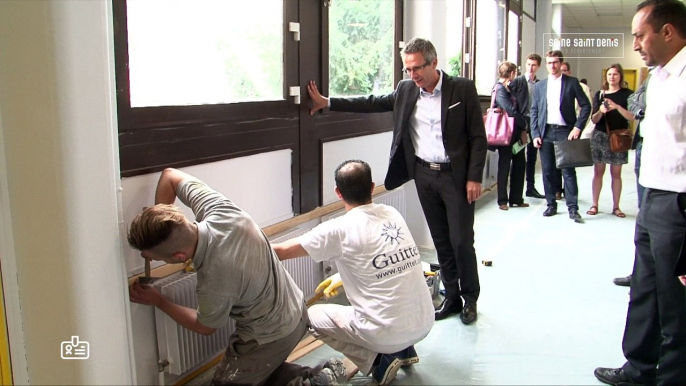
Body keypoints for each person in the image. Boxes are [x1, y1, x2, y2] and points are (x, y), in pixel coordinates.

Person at [306, 38, 487, 325]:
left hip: (456, 177)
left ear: (434, 62)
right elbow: (372, 103)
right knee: (441, 240)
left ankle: (471, 299)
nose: (413, 75)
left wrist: (474, 177)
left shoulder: (461, 89)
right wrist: (329, 102)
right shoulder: (406, 90)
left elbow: (478, 137)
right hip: (424, 176)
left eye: (417, 68)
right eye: (408, 69)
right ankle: (451, 297)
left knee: (462, 241)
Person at [127, 168, 346, 386]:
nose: (147, 258)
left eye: (152, 256)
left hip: (271, 336)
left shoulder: (215, 277)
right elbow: (169, 176)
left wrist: (160, 301)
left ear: (179, 256)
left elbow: (205, 327)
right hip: (297, 311)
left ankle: (315, 380)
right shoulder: (219, 210)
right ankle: (295, 374)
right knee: (256, 370)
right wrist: (157, 218)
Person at [273, 160, 434, 386]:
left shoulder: (338, 229)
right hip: (425, 321)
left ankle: (378, 360)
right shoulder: (391, 213)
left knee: (312, 316)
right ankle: (405, 350)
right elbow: (384, 260)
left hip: (387, 333)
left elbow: (279, 251)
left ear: (338, 193)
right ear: (372, 186)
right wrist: (341, 276)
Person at [594, 1, 686, 385]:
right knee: (645, 289)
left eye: (639, 35)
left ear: (667, 31)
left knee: (675, 300)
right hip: (651, 194)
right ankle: (638, 368)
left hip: (678, 203)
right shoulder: (659, 76)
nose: (635, 45)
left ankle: (673, 377)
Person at [530, 50, 592, 223]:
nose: (553, 66)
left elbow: (586, 106)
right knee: (548, 171)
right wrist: (535, 133)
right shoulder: (540, 86)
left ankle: (573, 208)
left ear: (561, 63)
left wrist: (578, 128)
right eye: (549, 63)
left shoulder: (571, 83)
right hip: (546, 132)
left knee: (568, 171)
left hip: (565, 131)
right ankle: (551, 204)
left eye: (556, 62)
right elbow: (534, 111)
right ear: (546, 65)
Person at [613, 74, 650, 287]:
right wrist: (644, 110)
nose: (637, 45)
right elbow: (635, 100)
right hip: (646, 145)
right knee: (644, 214)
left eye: (641, 37)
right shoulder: (654, 76)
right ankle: (642, 273)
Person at [586, 63, 635, 218]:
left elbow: (632, 117)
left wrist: (617, 107)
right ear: (605, 77)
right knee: (598, 171)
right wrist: (601, 111)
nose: (612, 77)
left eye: (615, 74)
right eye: (609, 74)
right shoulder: (600, 94)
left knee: (616, 173)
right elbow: (594, 119)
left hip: (619, 136)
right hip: (600, 136)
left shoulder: (628, 94)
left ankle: (616, 206)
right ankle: (594, 204)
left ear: (620, 76)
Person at [491, 61, 528, 210]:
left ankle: (516, 198)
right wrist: (524, 125)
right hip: (505, 134)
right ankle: (502, 200)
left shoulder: (509, 88)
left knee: (519, 164)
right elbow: (510, 110)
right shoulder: (499, 89)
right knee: (504, 165)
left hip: (514, 133)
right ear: (512, 73)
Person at [511, 53, 545, 199]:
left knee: (532, 157)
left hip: (534, 123)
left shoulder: (540, 84)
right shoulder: (518, 81)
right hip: (520, 123)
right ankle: (515, 191)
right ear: (525, 65)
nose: (531, 68)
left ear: (538, 67)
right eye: (529, 64)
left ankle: (530, 187)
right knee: (518, 155)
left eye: (534, 65)